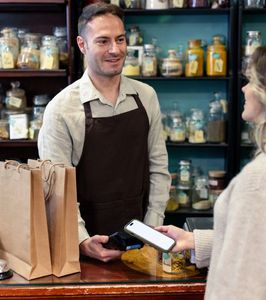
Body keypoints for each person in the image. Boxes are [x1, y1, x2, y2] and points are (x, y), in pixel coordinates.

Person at [38, 2, 171, 262]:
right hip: (85, 249)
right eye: (103, 41)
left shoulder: (145, 96)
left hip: (143, 243)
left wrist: (151, 230)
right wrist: (81, 240)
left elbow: (158, 167)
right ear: (82, 44)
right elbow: (57, 190)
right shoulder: (61, 109)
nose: (115, 50)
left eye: (120, 39)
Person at [156, 45, 266, 299]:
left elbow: (242, 284)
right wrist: (193, 241)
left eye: (250, 81)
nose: (243, 88)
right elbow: (254, 244)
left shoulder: (257, 180)